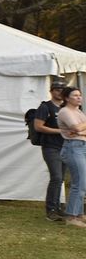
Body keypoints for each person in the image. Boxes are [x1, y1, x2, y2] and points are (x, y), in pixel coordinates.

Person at [32, 82, 67, 221]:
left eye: (63, 90)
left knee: (60, 179)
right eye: (58, 90)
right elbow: (38, 126)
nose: (60, 92)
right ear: (51, 91)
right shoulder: (45, 107)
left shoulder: (66, 107)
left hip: (65, 147)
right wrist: (60, 131)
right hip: (51, 147)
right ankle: (51, 210)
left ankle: (57, 208)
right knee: (56, 177)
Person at [56, 86, 86, 228]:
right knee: (79, 182)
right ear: (67, 98)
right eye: (75, 95)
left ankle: (79, 214)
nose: (79, 97)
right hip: (73, 147)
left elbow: (80, 130)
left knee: (82, 182)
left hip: (81, 145)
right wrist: (79, 130)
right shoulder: (65, 111)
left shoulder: (78, 111)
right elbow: (77, 128)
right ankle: (72, 216)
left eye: (79, 95)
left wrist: (80, 131)